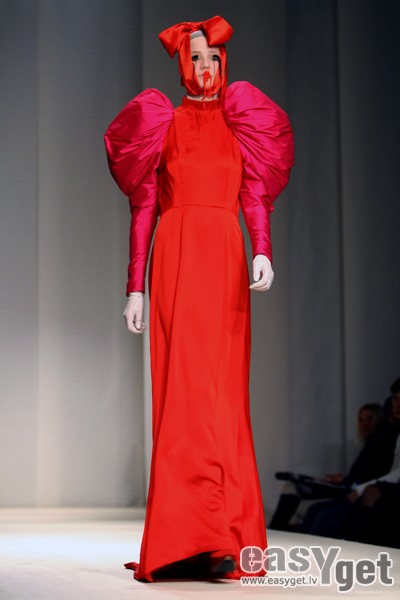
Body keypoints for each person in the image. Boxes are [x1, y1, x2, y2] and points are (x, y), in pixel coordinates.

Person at [104, 15, 293, 582]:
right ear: (182, 65)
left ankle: (226, 535)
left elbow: (254, 194)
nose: (205, 67)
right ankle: (187, 539)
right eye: (196, 58)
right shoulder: (161, 122)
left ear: (223, 62)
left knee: (224, 397)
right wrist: (135, 286)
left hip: (225, 263)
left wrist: (262, 249)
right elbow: (144, 208)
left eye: (214, 57)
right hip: (178, 261)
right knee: (183, 394)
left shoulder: (242, 121)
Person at [269, 403, 396, 531]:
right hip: (348, 489)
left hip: (354, 493)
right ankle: (277, 530)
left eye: (370, 419)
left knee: (316, 511)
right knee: (299, 494)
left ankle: (276, 530)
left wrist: (345, 481)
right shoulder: (369, 446)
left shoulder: (382, 446)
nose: (365, 425)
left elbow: (371, 478)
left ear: (379, 420)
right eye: (361, 420)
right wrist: (343, 480)